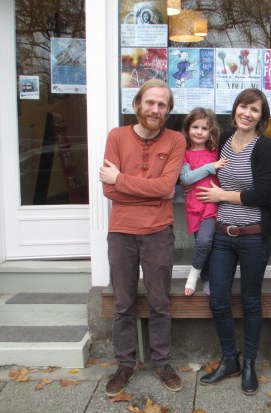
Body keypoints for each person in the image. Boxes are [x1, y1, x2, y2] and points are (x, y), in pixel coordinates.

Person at [100, 79, 186, 397]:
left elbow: (166, 189)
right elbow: (108, 191)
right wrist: (142, 189)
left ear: (169, 110)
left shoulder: (176, 140)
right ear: (138, 104)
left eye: (162, 104)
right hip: (121, 233)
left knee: (160, 303)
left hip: (157, 233)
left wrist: (122, 180)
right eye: (150, 102)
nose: (155, 109)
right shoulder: (117, 136)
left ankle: (162, 362)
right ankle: (124, 364)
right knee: (123, 303)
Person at [196, 88, 271, 396]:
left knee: (251, 300)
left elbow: (263, 194)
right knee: (218, 299)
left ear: (261, 117)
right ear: (235, 109)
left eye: (255, 110)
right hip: (221, 234)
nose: (247, 113)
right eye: (244, 106)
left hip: (253, 236)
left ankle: (250, 363)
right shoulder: (224, 141)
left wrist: (222, 196)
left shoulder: (264, 148)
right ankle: (230, 359)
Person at [179, 107, 227, 296]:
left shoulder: (216, 152)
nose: (199, 132)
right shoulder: (184, 153)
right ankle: (206, 278)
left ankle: (193, 275)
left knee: (207, 242)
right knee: (203, 244)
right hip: (194, 206)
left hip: (213, 206)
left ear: (211, 132)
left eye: (204, 128)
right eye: (195, 127)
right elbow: (186, 179)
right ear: (188, 129)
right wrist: (209, 168)